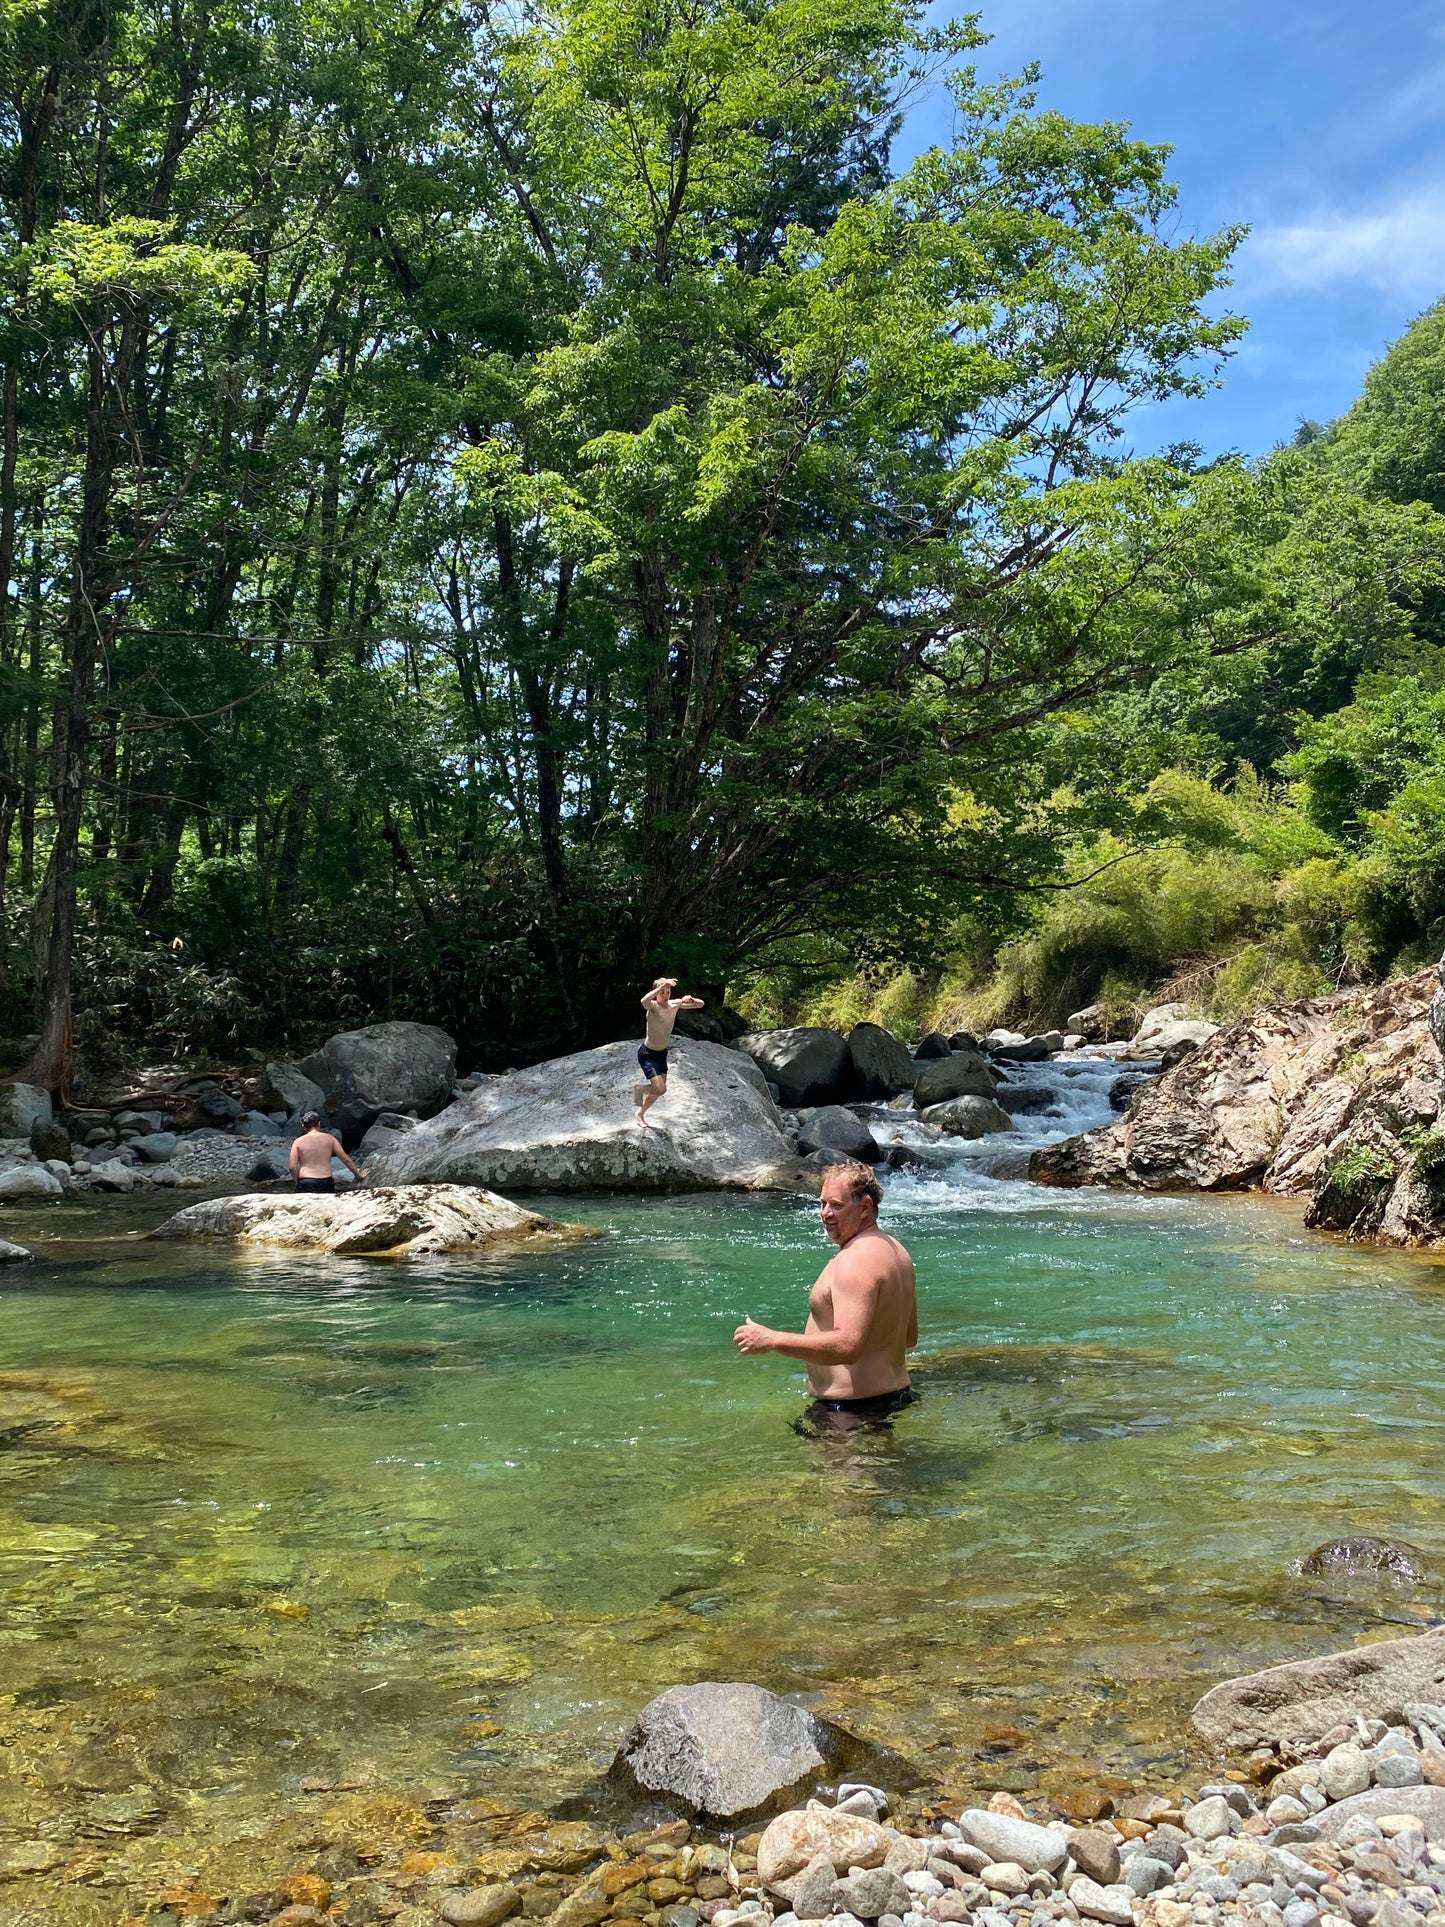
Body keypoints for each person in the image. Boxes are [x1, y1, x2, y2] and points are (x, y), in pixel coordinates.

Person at [733, 1160, 917, 1426]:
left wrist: (771, 1339)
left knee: (837, 1470)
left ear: (865, 1207)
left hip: (850, 1412)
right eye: (822, 1203)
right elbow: (909, 1338)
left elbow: (847, 1346)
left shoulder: (854, 1260)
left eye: (837, 1206)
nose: (825, 1213)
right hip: (892, 1397)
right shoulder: (897, 1252)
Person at [634, 976, 705, 1127]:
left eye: (668, 992)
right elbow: (643, 1001)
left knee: (660, 1091)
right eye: (662, 992)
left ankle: (640, 1113)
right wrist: (660, 987)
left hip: (661, 1054)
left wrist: (691, 999)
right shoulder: (653, 1007)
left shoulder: (674, 1005)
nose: (666, 995)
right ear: (657, 993)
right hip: (647, 1054)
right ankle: (639, 1089)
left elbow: (700, 1004)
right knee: (660, 1089)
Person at [288, 1111, 365, 1193]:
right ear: (319, 1124)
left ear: (303, 1126)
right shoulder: (330, 1139)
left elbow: (292, 1167)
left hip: (306, 1182)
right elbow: (345, 1159)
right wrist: (359, 1175)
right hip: (326, 1182)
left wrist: (297, 1181)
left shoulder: (298, 1142)